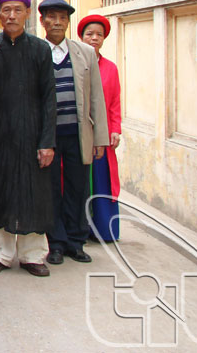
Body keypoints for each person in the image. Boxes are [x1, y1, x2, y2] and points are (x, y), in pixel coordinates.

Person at [0, 0, 56, 278]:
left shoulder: (40, 49)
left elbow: (49, 97)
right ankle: (0, 253)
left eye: (18, 10)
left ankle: (33, 255)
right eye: (6, 10)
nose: (11, 16)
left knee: (33, 191)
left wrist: (47, 141)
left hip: (32, 132)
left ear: (27, 13)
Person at [36, 0, 109, 266]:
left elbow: (97, 98)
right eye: (51, 17)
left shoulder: (84, 53)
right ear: (42, 21)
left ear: (68, 23)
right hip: (48, 136)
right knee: (51, 188)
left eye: (62, 18)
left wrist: (100, 138)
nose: (57, 22)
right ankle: (55, 243)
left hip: (78, 133)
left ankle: (76, 242)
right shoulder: (37, 51)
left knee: (78, 188)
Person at [77, 14, 122, 242]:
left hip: (101, 136)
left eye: (99, 35)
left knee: (102, 180)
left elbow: (114, 102)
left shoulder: (110, 68)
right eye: (89, 34)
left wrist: (115, 129)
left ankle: (104, 230)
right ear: (81, 36)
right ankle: (79, 229)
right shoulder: (74, 64)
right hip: (78, 133)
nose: (94, 38)